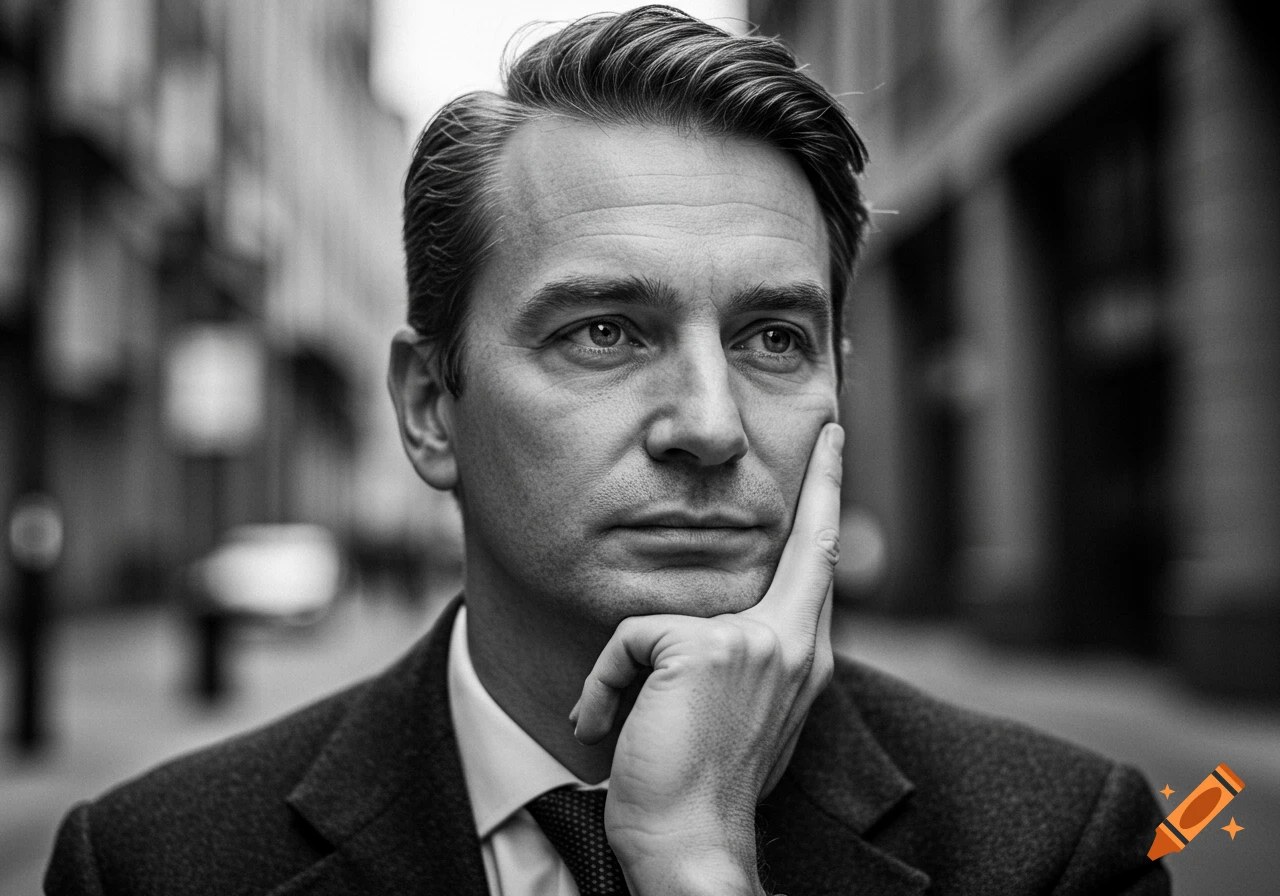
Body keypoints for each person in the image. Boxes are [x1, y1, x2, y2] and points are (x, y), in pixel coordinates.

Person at [45, 7, 1170, 895]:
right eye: (604, 332)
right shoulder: (156, 863)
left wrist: (693, 863)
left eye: (772, 337)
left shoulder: (1059, 846)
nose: (710, 424)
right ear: (432, 406)